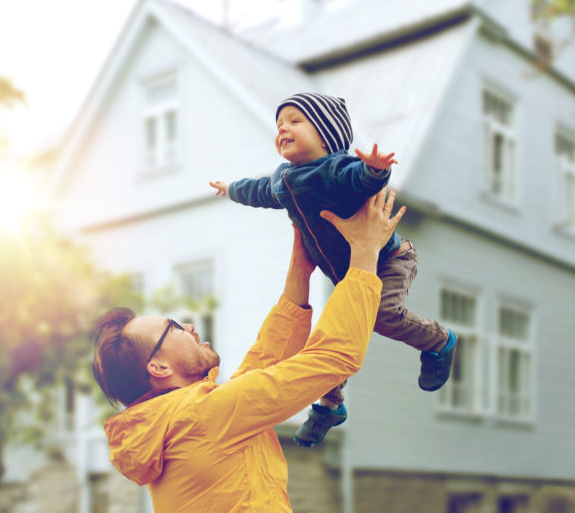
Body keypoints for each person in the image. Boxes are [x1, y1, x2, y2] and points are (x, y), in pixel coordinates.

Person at [93, 189, 404, 512]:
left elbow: (263, 365)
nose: (188, 327)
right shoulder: (202, 416)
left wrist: (301, 262)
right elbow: (335, 356)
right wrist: (366, 249)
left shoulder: (177, 424)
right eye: (173, 326)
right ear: (158, 368)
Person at [210, 92, 457, 447]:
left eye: (295, 121)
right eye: (279, 125)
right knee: (332, 335)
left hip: (389, 259)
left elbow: (360, 178)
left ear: (326, 134)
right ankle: (330, 406)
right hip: (349, 276)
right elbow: (258, 190)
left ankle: (439, 341)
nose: (283, 129)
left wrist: (375, 169)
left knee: (381, 316)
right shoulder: (282, 179)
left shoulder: (335, 168)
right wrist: (232, 189)